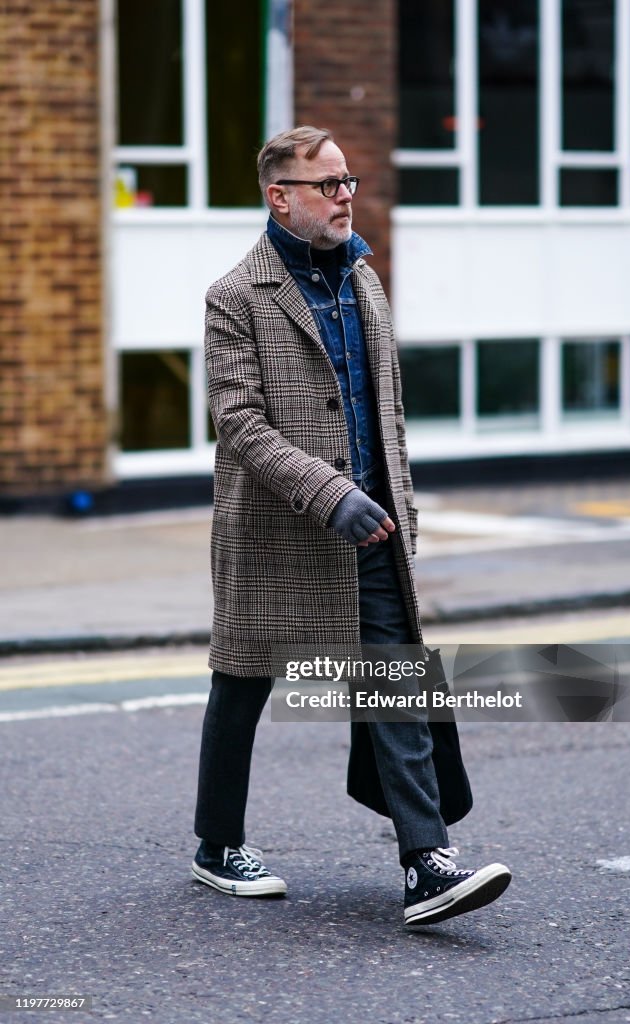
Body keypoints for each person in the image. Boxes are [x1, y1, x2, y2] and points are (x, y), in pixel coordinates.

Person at [192, 125, 511, 926]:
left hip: (369, 530)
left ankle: (425, 863)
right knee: (243, 683)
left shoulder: (365, 281)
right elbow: (239, 423)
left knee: (394, 679)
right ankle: (216, 845)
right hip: (277, 529)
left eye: (347, 182)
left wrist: (395, 505)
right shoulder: (236, 296)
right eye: (326, 184)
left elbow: (386, 412)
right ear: (280, 196)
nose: (344, 197)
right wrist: (327, 491)